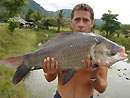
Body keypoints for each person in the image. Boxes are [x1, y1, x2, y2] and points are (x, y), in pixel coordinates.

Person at [43, 3, 108, 98]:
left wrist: (93, 76)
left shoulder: (98, 48)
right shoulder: (60, 44)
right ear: (71, 21)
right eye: (77, 19)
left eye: (85, 20)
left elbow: (102, 88)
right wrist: (50, 73)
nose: (81, 24)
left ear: (92, 23)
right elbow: (49, 78)